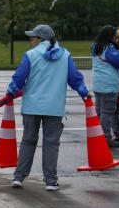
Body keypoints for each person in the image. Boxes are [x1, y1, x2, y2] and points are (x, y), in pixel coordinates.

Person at [5, 24, 89, 191]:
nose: (30, 40)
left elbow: (19, 77)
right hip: (54, 107)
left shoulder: (30, 55)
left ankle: (19, 177)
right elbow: (75, 78)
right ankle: (51, 181)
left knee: (28, 141)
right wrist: (84, 93)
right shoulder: (65, 55)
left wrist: (11, 91)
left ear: (40, 39)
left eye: (32, 37)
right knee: (51, 143)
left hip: (31, 106)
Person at [90, 26, 119, 149]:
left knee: (100, 111)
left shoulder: (96, 47)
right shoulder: (110, 49)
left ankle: (98, 135)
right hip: (109, 86)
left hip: (98, 85)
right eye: (114, 36)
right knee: (107, 113)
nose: (115, 38)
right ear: (110, 37)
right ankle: (105, 138)